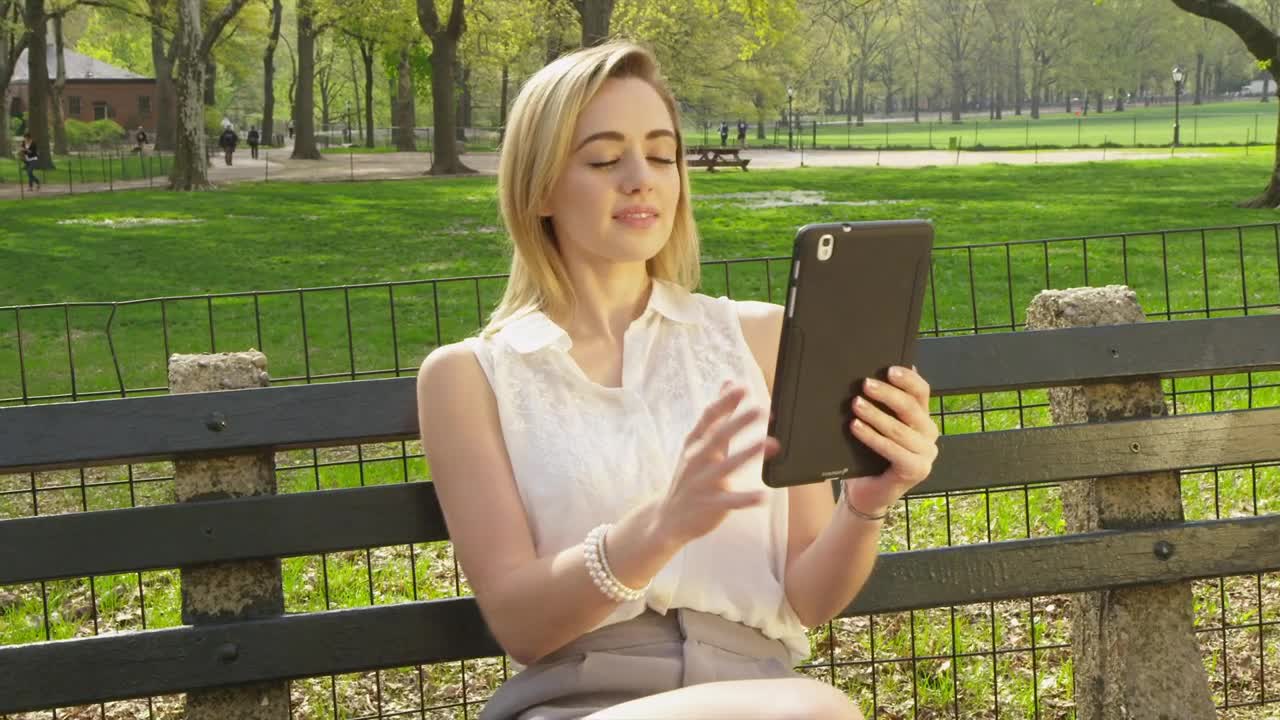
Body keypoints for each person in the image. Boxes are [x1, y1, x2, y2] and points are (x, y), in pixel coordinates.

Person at [415, 41, 939, 720]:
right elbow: (521, 623)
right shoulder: (471, 377)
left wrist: (868, 501)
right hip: (578, 704)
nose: (642, 178)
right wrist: (660, 527)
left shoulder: (761, 339)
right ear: (539, 186)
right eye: (604, 159)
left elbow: (806, 598)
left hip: (759, 688)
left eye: (661, 155)